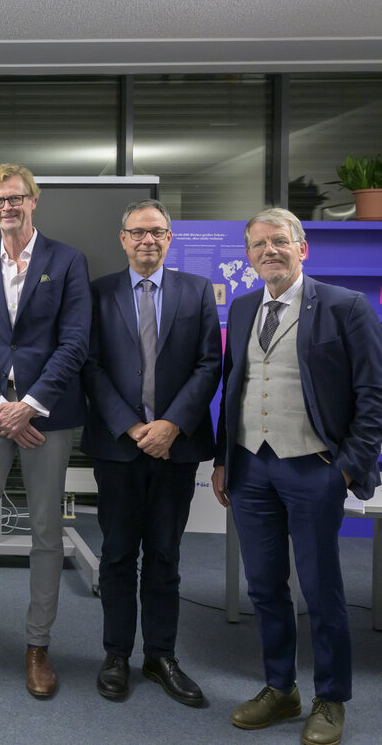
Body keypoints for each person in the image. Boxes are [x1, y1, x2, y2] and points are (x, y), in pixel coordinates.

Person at [211, 208, 382, 745]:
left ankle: (330, 699)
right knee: (264, 586)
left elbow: (373, 395)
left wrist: (349, 466)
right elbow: (232, 389)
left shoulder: (345, 306)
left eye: (279, 241)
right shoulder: (240, 309)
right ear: (248, 256)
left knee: (321, 587)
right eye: (258, 244)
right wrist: (222, 460)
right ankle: (280, 689)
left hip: (315, 469)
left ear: (301, 248)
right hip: (250, 466)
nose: (269, 251)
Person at [0, 163, 91, 698]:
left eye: (16, 197)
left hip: (44, 417)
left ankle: (38, 645)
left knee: (46, 534)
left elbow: (75, 342)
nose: (7, 206)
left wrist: (28, 406)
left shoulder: (67, 261)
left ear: (34, 201)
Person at [81, 199, 221, 707]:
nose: (148, 241)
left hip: (175, 449)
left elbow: (209, 364)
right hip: (119, 446)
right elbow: (90, 366)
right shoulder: (98, 294)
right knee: (118, 554)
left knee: (165, 555)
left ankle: (161, 656)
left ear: (169, 237)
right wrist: (133, 427)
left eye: (157, 232)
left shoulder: (197, 290)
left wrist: (170, 425)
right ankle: (116, 653)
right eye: (138, 233)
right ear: (123, 239)